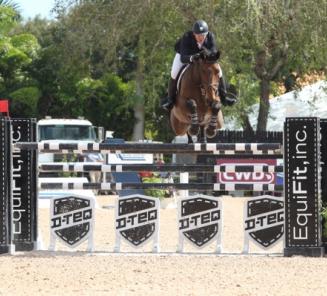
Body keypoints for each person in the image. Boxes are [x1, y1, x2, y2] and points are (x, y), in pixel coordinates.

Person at [161, 20, 237, 111]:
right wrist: (192, 58)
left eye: (203, 35)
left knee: (218, 70)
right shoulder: (187, 37)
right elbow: (183, 58)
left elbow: (213, 52)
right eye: (198, 35)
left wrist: (205, 53)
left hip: (203, 56)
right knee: (174, 72)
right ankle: (170, 99)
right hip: (184, 54)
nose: (201, 38)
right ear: (194, 34)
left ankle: (224, 97)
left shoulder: (210, 36)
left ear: (207, 33)